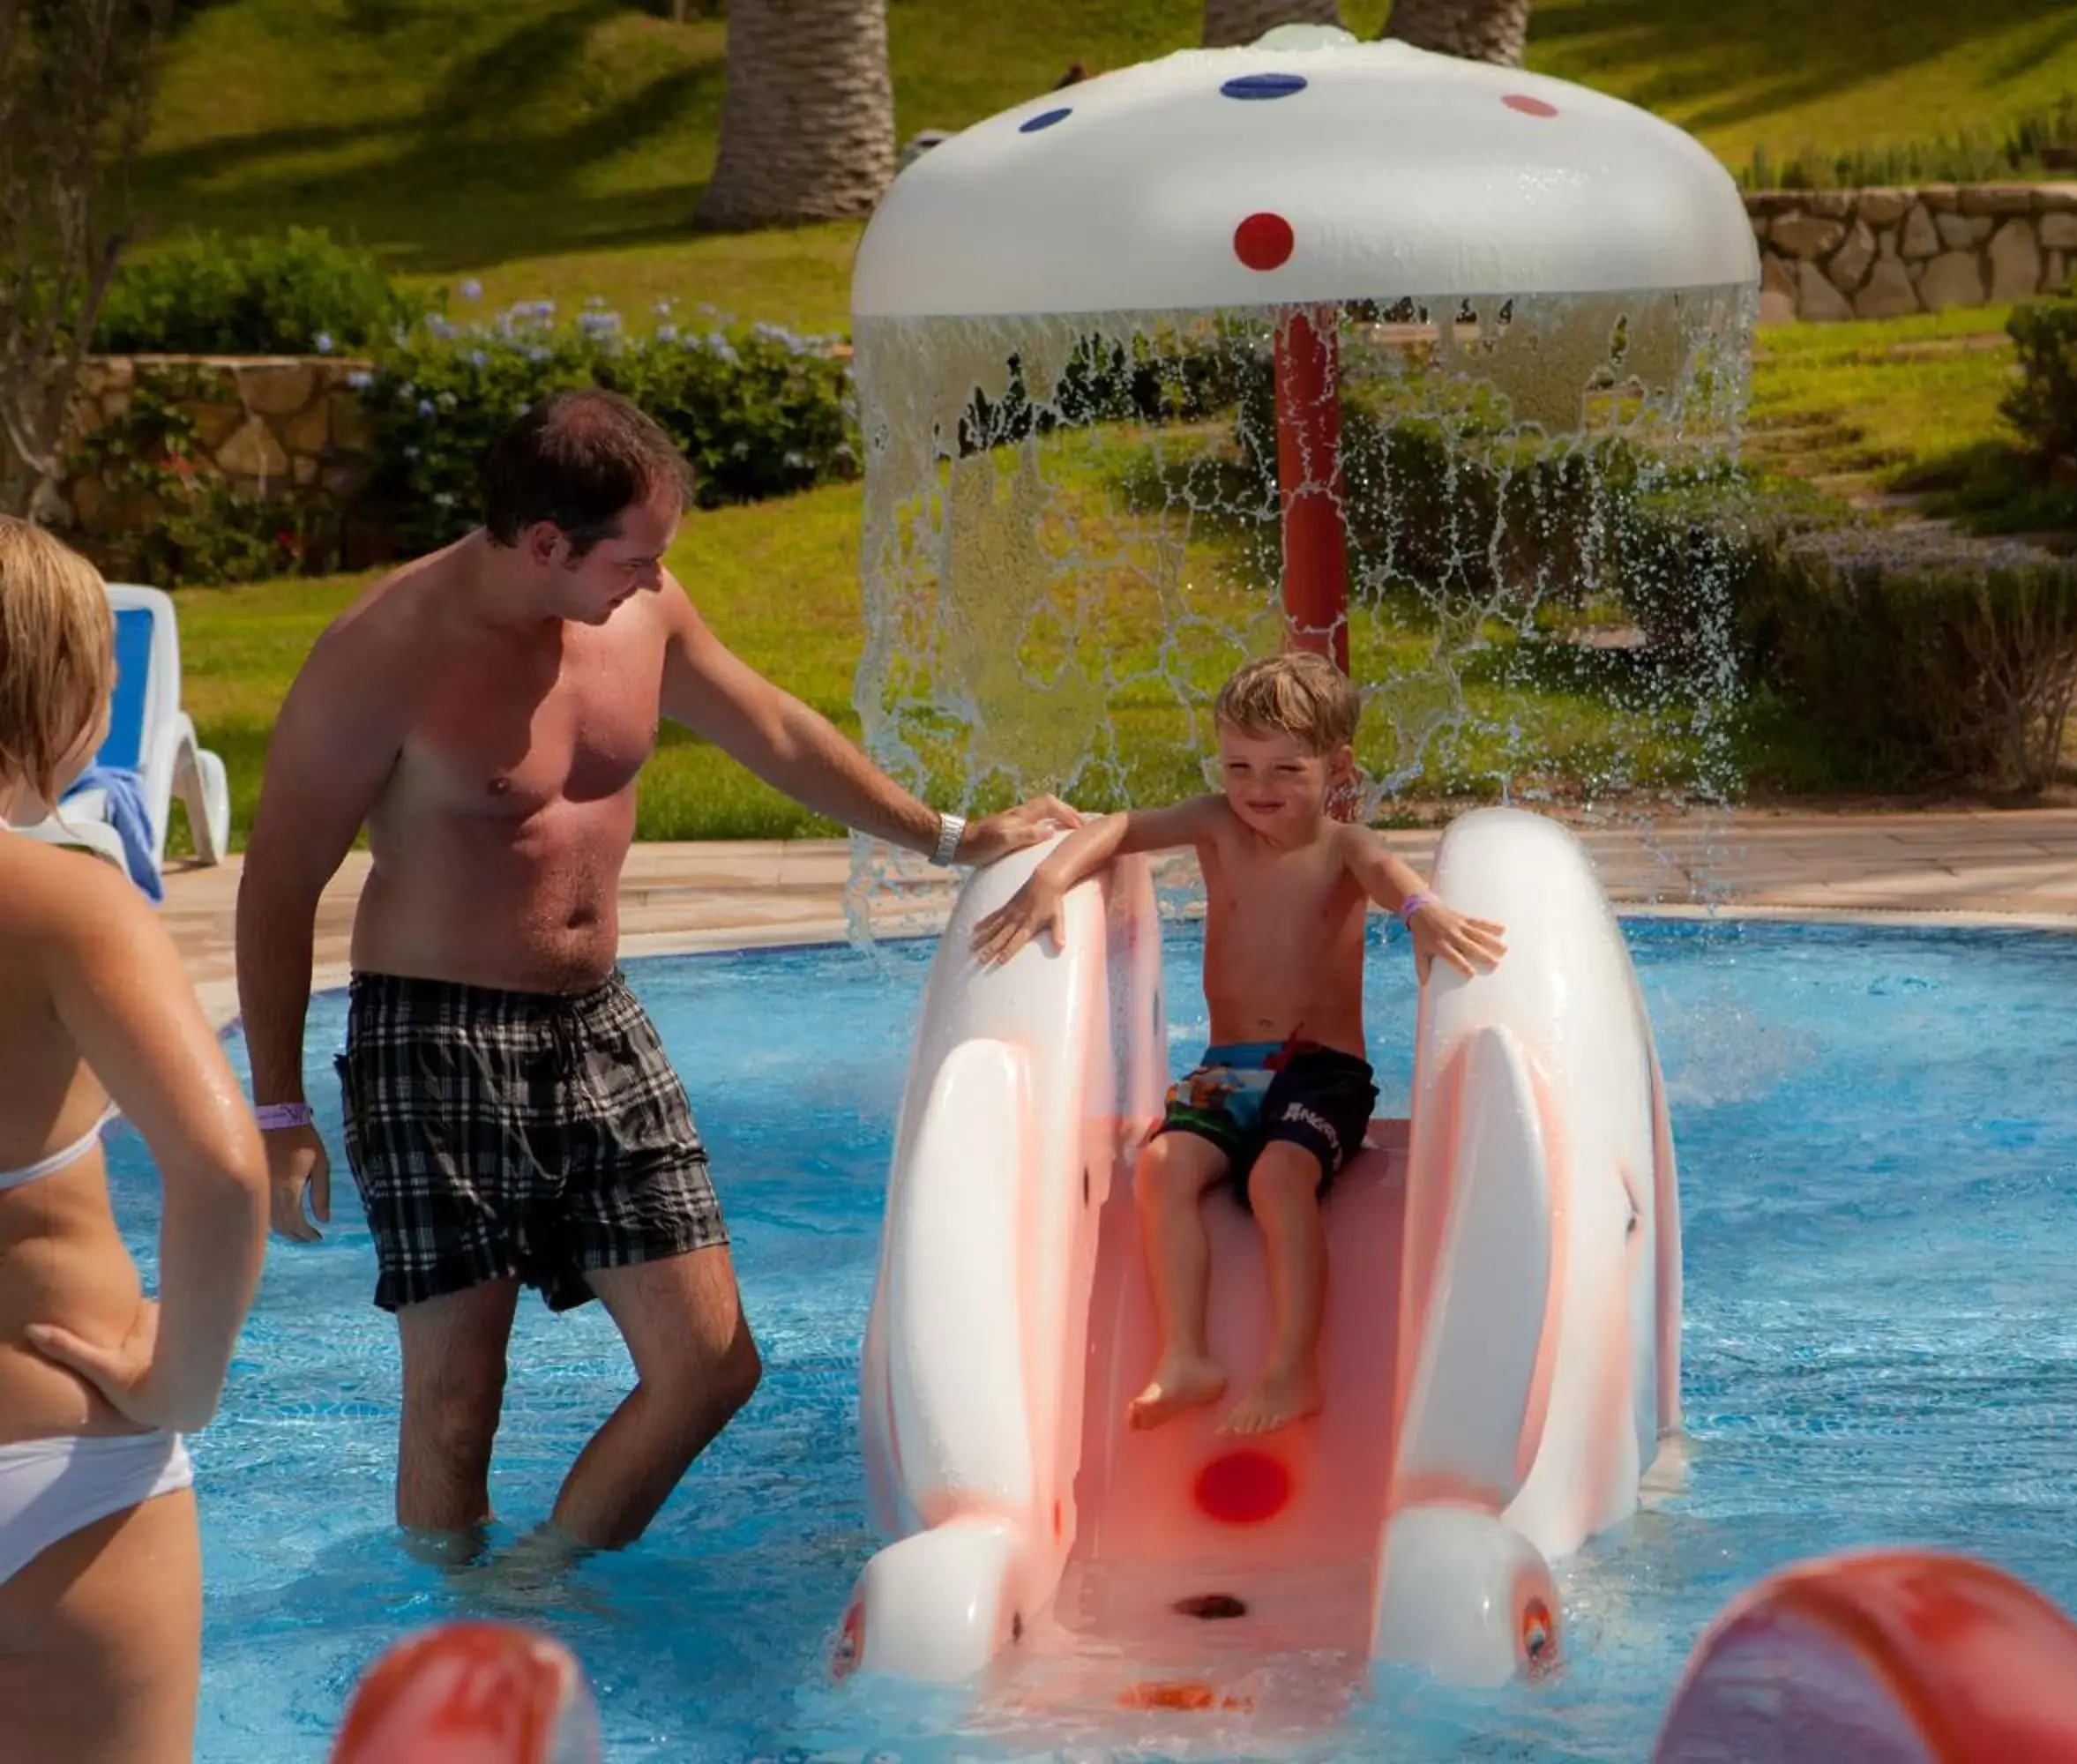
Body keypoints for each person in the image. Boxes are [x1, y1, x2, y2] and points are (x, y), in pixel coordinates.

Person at [235, 388, 1076, 1559]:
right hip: (435, 1038)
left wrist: (946, 834)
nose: (655, 578)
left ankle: (538, 1582)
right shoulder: (383, 656)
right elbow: (279, 883)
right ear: (544, 544)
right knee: (456, 1397)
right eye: (633, 556)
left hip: (599, 1020)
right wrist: (277, 1108)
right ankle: (446, 1640)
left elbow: (771, 729)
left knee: (710, 1367)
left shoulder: (638, 608)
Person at [972, 651, 1504, 1435]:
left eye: (1287, 768)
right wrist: (1051, 878)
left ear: (1338, 766)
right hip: (1227, 1069)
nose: (1258, 787)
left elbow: (1391, 875)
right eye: (1238, 764)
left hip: (1322, 1073)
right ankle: (1187, 1355)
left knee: (1278, 1181)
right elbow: (1119, 829)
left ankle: (1294, 1368)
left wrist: (1423, 908)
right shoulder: (1216, 825)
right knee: (1163, 1167)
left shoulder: (1343, 846)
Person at [0, 516, 270, 1761]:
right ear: (50, 690)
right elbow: (220, 1169)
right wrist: (183, 1381)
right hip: (52, 1473)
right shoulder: (64, 906)